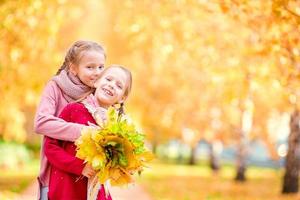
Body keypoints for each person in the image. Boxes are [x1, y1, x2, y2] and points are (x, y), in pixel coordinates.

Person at [44, 65, 132, 200]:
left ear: (122, 98)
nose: (111, 85)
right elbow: (50, 147)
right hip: (67, 190)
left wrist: (122, 165)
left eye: (119, 86)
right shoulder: (73, 110)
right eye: (108, 79)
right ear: (96, 82)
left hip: (95, 191)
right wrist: (79, 167)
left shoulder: (116, 128)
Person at [34, 40, 106, 199]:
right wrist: (85, 132)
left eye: (101, 67)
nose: (97, 72)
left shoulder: (97, 92)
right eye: (90, 67)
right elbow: (41, 122)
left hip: (88, 175)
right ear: (73, 68)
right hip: (58, 171)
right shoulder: (56, 86)